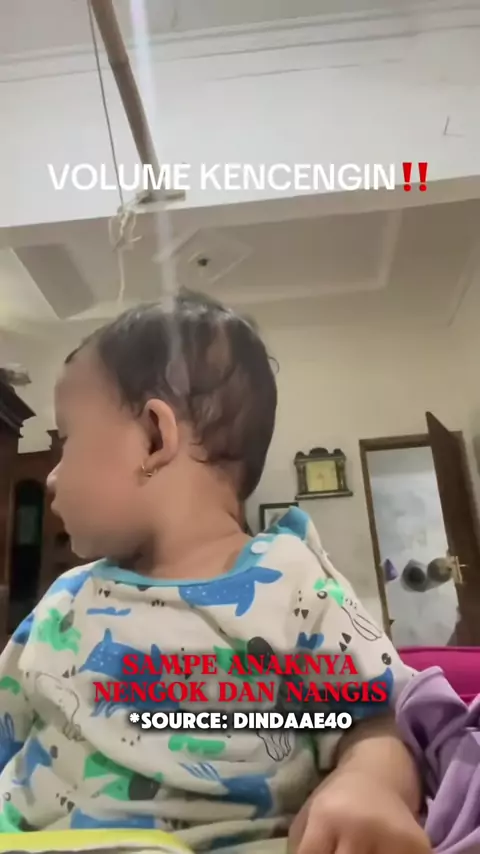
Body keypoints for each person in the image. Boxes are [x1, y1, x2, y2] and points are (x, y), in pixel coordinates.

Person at [0, 292, 430, 853]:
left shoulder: (295, 584)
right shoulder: (64, 599)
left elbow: (377, 723)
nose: (52, 477)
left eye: (69, 439)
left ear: (154, 438)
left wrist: (368, 784)